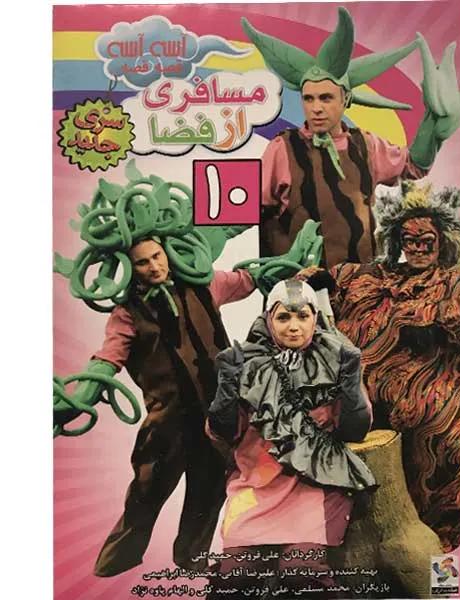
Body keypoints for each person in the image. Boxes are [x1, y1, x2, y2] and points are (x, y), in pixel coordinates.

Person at [53, 162, 323, 577]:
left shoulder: (205, 283)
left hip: (220, 414)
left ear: (167, 250)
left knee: (209, 488)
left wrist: (287, 261)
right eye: (142, 262)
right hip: (167, 422)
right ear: (128, 266)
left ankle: (191, 558)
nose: (154, 266)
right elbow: (107, 360)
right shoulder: (127, 314)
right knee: (148, 489)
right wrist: (78, 398)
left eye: (156, 256)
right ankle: (116, 561)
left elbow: (249, 278)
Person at [304, 181, 460, 551]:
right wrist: (321, 278)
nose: (418, 248)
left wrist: (425, 317)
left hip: (432, 412)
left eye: (427, 241)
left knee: (440, 465)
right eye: (410, 241)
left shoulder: (455, 281)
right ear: (398, 242)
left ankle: (438, 568)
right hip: (368, 410)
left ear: (441, 241)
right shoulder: (380, 276)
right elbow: (346, 276)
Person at [242, 6, 460, 267]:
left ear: (345, 99)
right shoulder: (283, 148)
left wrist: (432, 123)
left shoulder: (366, 145)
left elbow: (414, 165)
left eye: (326, 98)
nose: (316, 108)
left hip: (361, 280)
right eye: (309, 98)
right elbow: (248, 206)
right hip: (298, 284)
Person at [206, 279, 375, 598]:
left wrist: (351, 381)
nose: (294, 326)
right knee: (233, 579)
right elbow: (224, 433)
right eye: (284, 317)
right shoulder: (247, 362)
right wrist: (226, 386)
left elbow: (355, 431)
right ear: (269, 319)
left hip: (315, 485)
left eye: (303, 316)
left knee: (300, 573)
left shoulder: (334, 358)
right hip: (255, 485)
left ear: (315, 318)